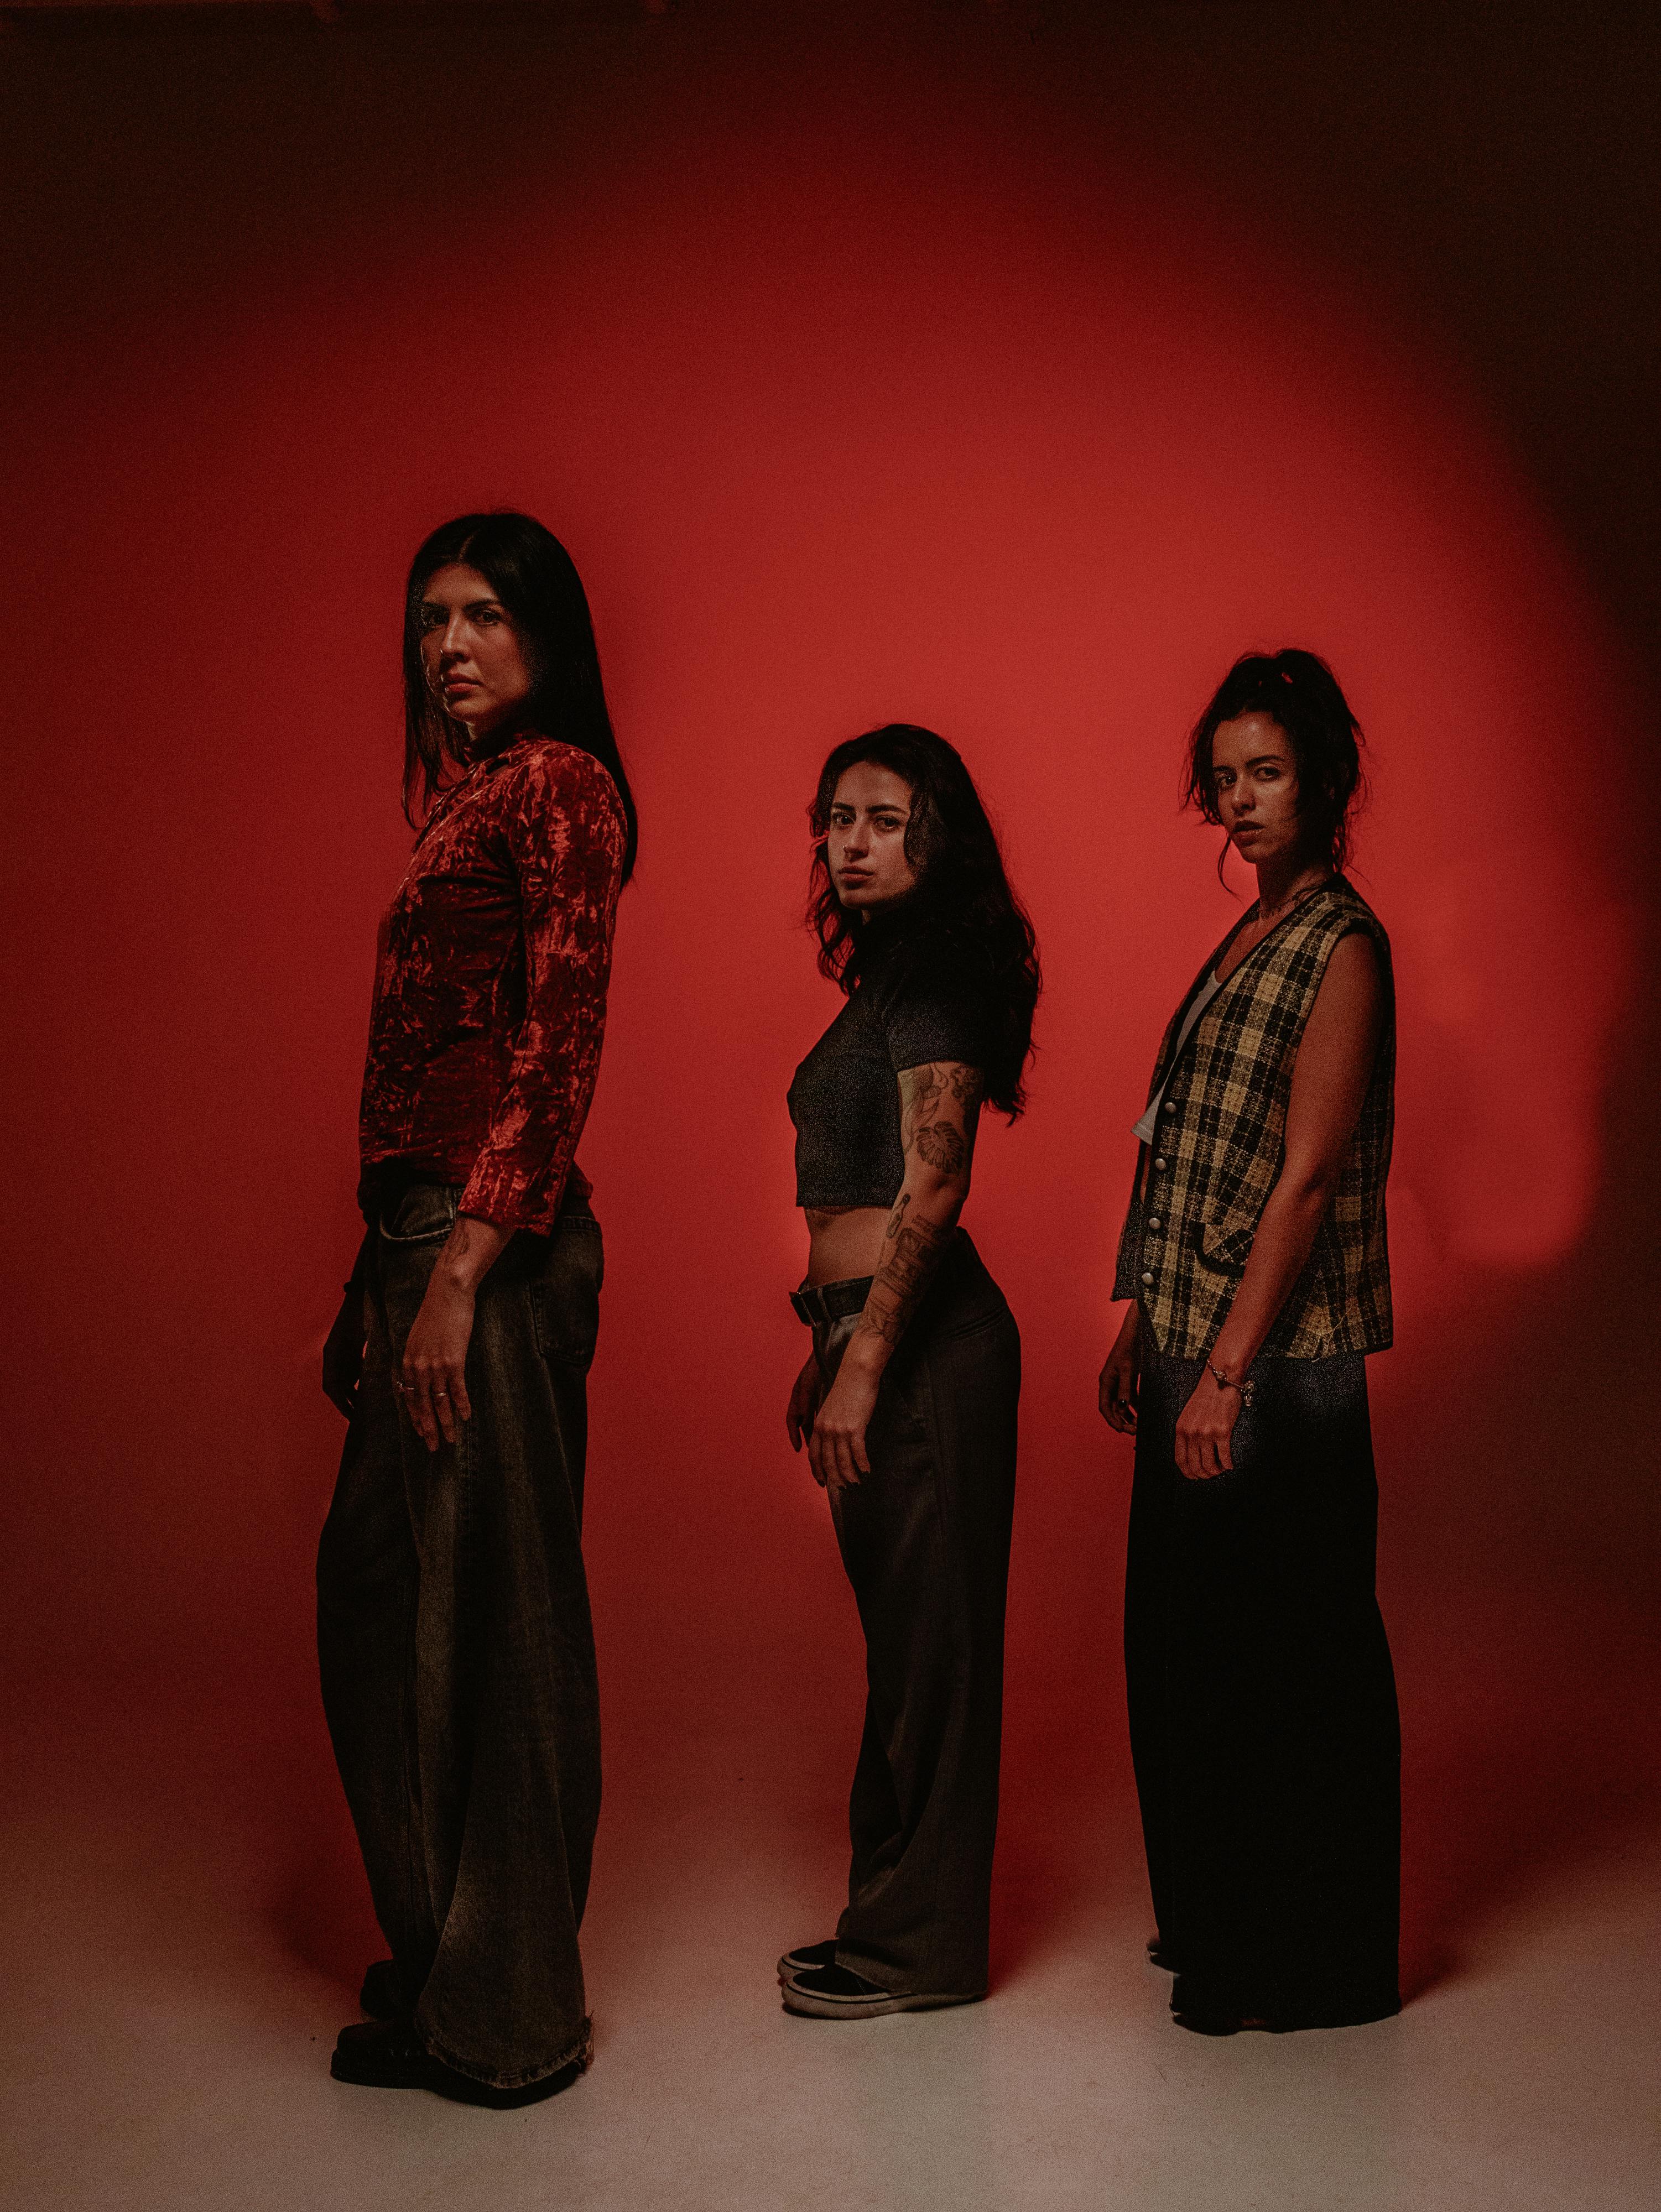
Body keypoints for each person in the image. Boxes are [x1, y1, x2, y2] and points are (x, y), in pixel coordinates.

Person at [315, 511, 637, 2105]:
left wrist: (452, 1280)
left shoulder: (564, 784)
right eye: (430, 618)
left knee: (491, 1618)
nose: (449, 647)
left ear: (547, 637)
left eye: (486, 617)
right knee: (382, 1593)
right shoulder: (474, 802)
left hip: (485, 1255)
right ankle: (456, 1945)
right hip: (418, 1243)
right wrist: (371, 1281)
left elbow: (553, 1050)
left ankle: (507, 2020)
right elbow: (426, 1063)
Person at [1098, 648, 1401, 2036]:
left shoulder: (1340, 941)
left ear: (1323, 778)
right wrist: (1140, 1318)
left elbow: (1305, 1174)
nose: (1237, 800)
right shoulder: (1249, 930)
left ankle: (1312, 1959)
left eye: (1263, 772)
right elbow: (1177, 1141)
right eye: (1221, 777)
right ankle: (1224, 1918)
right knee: (1186, 1652)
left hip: (1274, 1361)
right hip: (1190, 1330)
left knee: (1289, 1659)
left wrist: (1222, 1366)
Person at [778, 724, 1040, 2019]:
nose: (851, 842)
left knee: (933, 1657)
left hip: (927, 1349)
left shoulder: (933, 973)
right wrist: (825, 1341)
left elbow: (934, 1180)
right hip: (873, 1336)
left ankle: (918, 1953)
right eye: (836, 818)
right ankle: (886, 1920)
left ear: (935, 837)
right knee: (905, 1649)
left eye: (883, 818)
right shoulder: (888, 979)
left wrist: (864, 1360)